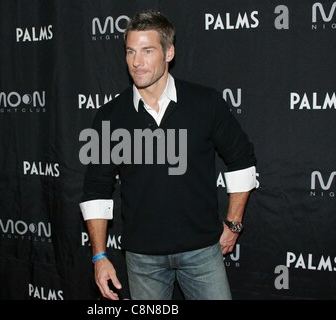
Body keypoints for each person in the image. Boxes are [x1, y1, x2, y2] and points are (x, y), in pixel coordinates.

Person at [79, 9, 256, 300]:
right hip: (142, 258)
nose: (136, 62)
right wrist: (99, 257)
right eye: (130, 51)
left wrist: (234, 224)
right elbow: (96, 189)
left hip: (202, 252)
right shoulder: (110, 116)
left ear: (169, 52)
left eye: (147, 51)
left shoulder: (205, 103)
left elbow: (242, 161)